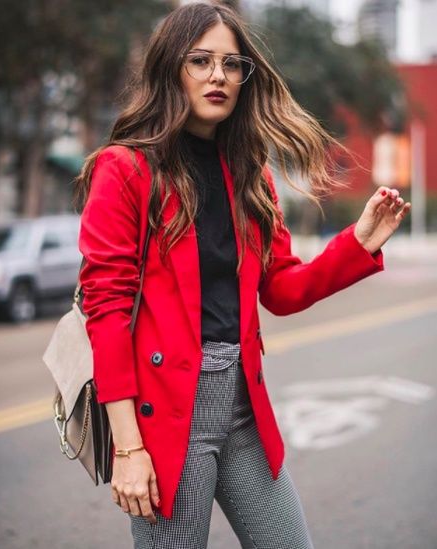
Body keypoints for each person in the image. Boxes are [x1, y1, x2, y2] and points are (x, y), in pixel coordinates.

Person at [74, 2, 411, 548]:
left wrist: (359, 244)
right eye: (201, 60)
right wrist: (129, 449)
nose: (218, 76)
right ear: (171, 68)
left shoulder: (249, 174)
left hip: (242, 406)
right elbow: (107, 311)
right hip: (166, 416)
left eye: (232, 65)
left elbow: (280, 289)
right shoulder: (126, 168)